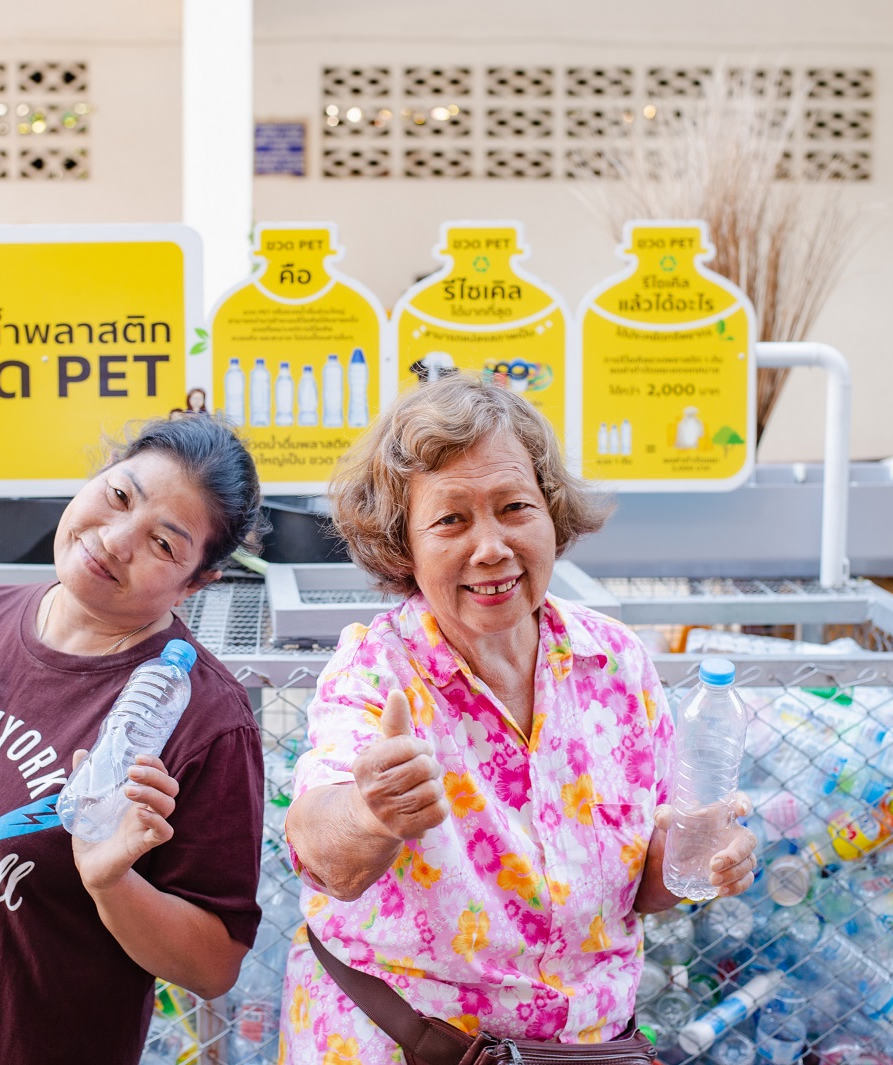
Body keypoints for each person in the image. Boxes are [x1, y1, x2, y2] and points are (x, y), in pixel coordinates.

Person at [281, 375, 756, 1063]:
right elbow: (323, 851)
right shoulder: (376, 670)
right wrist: (372, 809)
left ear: (551, 514)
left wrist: (699, 852)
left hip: (587, 1049)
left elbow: (644, 885)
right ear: (403, 546)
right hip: (407, 1044)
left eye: (514, 508)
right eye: (451, 520)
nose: (491, 547)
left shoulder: (615, 662)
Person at [0, 415, 269, 1065]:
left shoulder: (205, 718)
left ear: (196, 581)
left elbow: (213, 965)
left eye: (163, 543)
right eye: (119, 496)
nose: (114, 540)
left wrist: (113, 882)